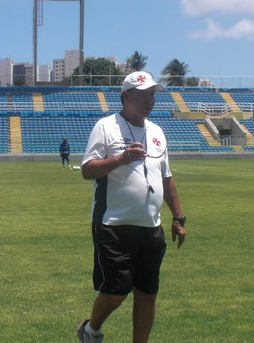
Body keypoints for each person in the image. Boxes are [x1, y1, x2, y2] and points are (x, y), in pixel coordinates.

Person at [77, 71, 186, 343]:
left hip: (151, 226)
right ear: (126, 96)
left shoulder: (158, 132)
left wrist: (178, 217)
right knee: (116, 291)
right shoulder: (106, 126)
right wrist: (122, 158)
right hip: (113, 223)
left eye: (153, 94)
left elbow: (166, 177)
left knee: (147, 293)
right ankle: (90, 329)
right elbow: (88, 170)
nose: (150, 100)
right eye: (143, 94)